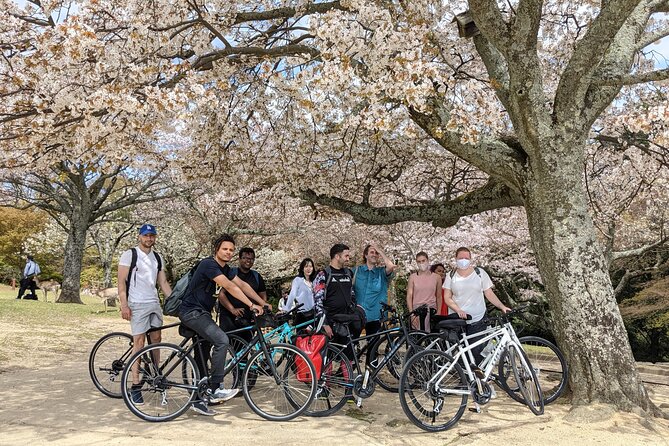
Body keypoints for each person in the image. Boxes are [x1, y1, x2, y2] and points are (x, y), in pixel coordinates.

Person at [179, 234, 265, 416]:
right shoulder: (209, 264)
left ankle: (198, 399)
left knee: (202, 353)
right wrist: (251, 305)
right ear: (216, 249)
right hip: (192, 312)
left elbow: (243, 285)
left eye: (231, 250)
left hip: (202, 313)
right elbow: (230, 287)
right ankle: (216, 386)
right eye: (225, 249)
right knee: (221, 340)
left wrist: (262, 303)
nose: (228, 252)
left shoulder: (226, 269)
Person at [118, 224, 172, 406]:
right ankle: (135, 385)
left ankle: (155, 373)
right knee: (139, 342)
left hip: (153, 303)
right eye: (146, 235)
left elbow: (162, 282)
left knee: (156, 339)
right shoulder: (130, 255)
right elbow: (121, 282)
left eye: (152, 236)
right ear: (139, 236)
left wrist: (174, 300)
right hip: (137, 303)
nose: (149, 239)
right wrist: (124, 304)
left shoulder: (157, 257)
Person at [442, 247, 511, 365]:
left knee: (477, 351)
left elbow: (489, 293)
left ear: (470, 259)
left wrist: (501, 306)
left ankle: (472, 379)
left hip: (478, 318)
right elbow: (447, 297)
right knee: (462, 352)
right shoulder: (451, 275)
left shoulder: (480, 273)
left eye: (466, 258)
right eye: (460, 258)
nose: (463, 260)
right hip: (458, 319)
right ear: (455, 259)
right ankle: (464, 378)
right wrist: (458, 309)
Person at [313, 243, 362, 358]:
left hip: (346, 321)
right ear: (337, 256)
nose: (348, 259)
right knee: (326, 357)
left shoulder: (348, 273)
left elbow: (352, 294)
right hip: (330, 322)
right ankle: (327, 376)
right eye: (346, 256)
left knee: (349, 356)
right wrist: (324, 324)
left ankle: (346, 376)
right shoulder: (323, 274)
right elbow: (317, 301)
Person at [218, 247, 267, 342]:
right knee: (226, 343)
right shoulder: (231, 273)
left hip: (248, 317)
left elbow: (263, 295)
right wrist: (232, 309)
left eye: (251, 259)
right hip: (229, 316)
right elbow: (221, 294)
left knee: (245, 346)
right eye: (245, 258)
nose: (248, 261)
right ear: (239, 259)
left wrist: (262, 306)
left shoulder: (256, 276)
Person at [352, 244, 396, 336]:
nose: (374, 254)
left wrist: (380, 251)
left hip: (375, 316)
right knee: (351, 345)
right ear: (365, 255)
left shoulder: (381, 272)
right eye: (372, 252)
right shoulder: (356, 271)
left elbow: (391, 266)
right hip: (357, 314)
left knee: (372, 347)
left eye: (376, 253)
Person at [406, 251, 441, 331]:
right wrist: (411, 314)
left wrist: (438, 312)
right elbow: (409, 296)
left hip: (431, 310)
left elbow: (439, 296)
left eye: (423, 261)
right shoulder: (412, 277)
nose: (421, 263)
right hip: (417, 311)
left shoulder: (436, 277)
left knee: (431, 338)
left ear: (428, 261)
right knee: (418, 337)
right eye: (419, 261)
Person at [281, 258, 316, 326]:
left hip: (314, 314)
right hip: (302, 314)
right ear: (302, 269)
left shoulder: (314, 281)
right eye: (306, 266)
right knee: (301, 335)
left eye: (310, 266)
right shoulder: (298, 280)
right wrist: (286, 309)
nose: (308, 269)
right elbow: (292, 294)